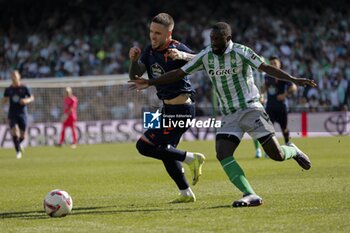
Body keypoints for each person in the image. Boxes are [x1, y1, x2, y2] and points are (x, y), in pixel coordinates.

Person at [129, 22, 317, 207]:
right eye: (212, 39)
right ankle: (249, 194)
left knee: (276, 154)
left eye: (218, 39)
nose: (214, 43)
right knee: (223, 154)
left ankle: (292, 150)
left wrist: (293, 79)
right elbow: (179, 72)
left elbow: (266, 68)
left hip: (251, 109)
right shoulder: (207, 55)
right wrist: (150, 82)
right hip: (228, 115)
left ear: (228, 39)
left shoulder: (242, 52)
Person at [128, 13, 205, 203]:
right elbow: (136, 75)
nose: (153, 36)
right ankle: (186, 193)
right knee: (165, 151)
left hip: (182, 110)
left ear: (168, 34)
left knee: (143, 145)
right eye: (151, 32)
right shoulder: (149, 50)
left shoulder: (177, 48)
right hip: (166, 110)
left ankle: (191, 158)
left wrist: (184, 56)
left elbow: (203, 60)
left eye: (158, 33)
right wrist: (133, 60)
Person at [265, 56, 297, 145]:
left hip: (281, 106)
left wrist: (285, 94)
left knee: (284, 128)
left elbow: (293, 87)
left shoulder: (283, 76)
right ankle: (271, 148)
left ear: (279, 64)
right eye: (271, 64)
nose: (273, 65)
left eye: (275, 63)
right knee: (268, 128)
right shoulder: (267, 77)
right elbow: (264, 88)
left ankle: (287, 143)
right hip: (270, 106)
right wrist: (261, 94)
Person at [2, 70, 34, 159]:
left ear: (19, 77)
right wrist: (4, 100)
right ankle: (18, 152)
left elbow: (32, 97)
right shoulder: (8, 89)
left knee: (23, 136)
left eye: (15, 76)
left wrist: (26, 100)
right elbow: (4, 100)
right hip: (12, 113)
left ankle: (18, 145)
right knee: (15, 131)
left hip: (22, 113)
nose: (14, 78)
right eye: (12, 76)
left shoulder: (24, 88)